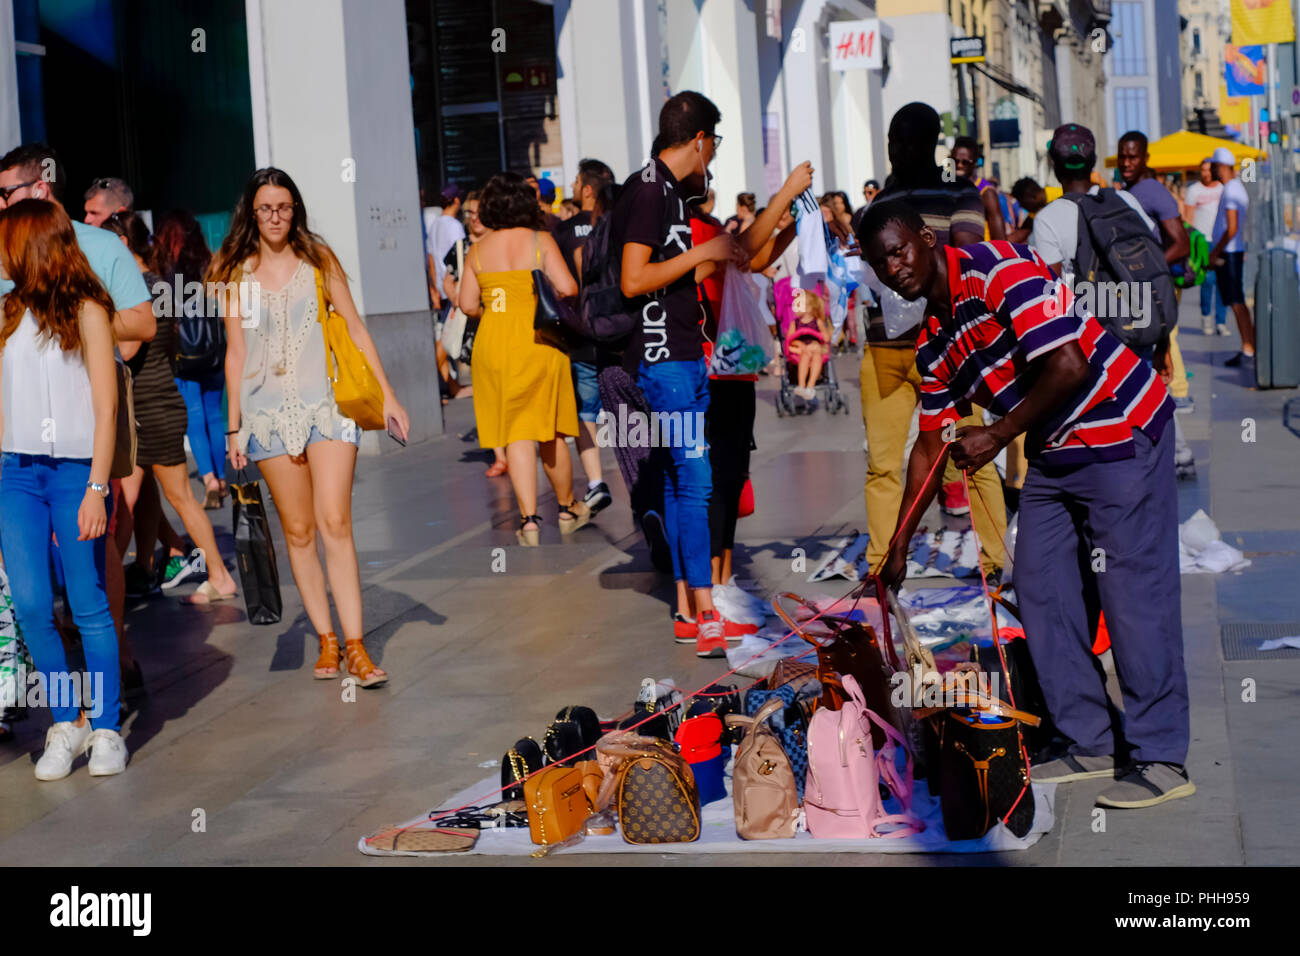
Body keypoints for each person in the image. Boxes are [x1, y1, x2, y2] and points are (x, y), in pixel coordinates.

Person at [862, 199, 1193, 809]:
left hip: (1119, 427)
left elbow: (1068, 366)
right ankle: (1089, 738)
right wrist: (898, 546)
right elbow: (929, 445)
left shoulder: (998, 269)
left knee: (1132, 595)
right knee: (1039, 586)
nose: (894, 266)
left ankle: (1162, 753)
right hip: (1056, 448)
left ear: (926, 241)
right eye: (880, 261)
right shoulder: (935, 343)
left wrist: (996, 433)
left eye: (900, 249)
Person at [215, 167, 409, 688]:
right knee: (298, 532)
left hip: (328, 408)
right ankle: (325, 637)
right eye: (265, 209)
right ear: (251, 214)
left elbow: (355, 327)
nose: (275, 217)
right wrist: (232, 428)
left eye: (284, 207)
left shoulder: (318, 259)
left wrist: (389, 395)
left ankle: (356, 646)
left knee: (334, 522)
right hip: (265, 416)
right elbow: (234, 355)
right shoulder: (233, 271)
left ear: (294, 209)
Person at [0, 143, 155, 701]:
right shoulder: (6, 249)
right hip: (19, 435)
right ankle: (60, 700)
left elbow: (144, 323)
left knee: (97, 544)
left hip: (91, 414)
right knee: (33, 584)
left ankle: (113, 659)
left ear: (39, 188)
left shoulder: (97, 245)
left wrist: (74, 320)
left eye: (5, 192)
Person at [613, 90, 747, 657]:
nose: (713, 154)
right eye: (714, 142)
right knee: (696, 483)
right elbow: (632, 279)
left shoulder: (666, 191)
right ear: (699, 138)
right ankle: (708, 612)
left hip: (683, 356)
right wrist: (704, 253)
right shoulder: (647, 189)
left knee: (676, 481)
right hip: (664, 362)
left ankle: (690, 616)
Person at [0, 199, 127, 778]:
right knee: (30, 604)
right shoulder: (5, 312)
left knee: (88, 604)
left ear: (32, 243)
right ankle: (65, 721)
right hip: (14, 474)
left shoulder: (89, 311)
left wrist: (98, 487)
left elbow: (107, 408)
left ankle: (105, 728)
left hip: (77, 472)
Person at [855, 103, 1005, 578]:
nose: (899, 149)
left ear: (929, 143)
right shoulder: (874, 205)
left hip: (948, 346)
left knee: (973, 455)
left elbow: (967, 250)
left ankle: (997, 563)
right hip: (885, 347)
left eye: (910, 140)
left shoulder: (959, 193)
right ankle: (883, 563)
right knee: (882, 464)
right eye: (894, 140)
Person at [102, 211, 238, 605]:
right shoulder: (158, 285)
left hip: (151, 408)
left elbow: (126, 350)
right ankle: (122, 582)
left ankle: (218, 574)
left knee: (168, 499)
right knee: (136, 504)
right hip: (154, 402)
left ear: (122, 246)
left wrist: (96, 327)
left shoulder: (136, 289)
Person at [457, 171, 589, 546]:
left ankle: (529, 521)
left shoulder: (478, 251)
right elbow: (567, 287)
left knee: (515, 433)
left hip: (494, 347)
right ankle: (566, 508)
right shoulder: (540, 240)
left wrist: (497, 310)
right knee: (551, 432)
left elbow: (467, 304)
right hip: (539, 343)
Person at [153, 210, 229, 512]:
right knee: (213, 414)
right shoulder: (210, 264)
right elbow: (223, 305)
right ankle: (222, 479)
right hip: (213, 353)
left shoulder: (164, 272)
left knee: (194, 416)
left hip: (183, 354)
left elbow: (163, 313)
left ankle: (209, 479)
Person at [554, 158, 617, 518]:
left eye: (577, 182)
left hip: (581, 332)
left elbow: (561, 287)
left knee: (586, 411)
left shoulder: (564, 232)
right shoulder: (620, 225)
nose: (574, 187)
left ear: (588, 189)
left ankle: (595, 482)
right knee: (627, 412)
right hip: (620, 331)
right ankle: (639, 477)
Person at [1116, 131, 1191, 408]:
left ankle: (1180, 395)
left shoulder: (1152, 190)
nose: (1126, 163)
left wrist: (1147, 269)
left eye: (1132, 157)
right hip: (1150, 282)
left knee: (1166, 334)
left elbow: (1181, 243)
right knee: (1160, 336)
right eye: (1122, 156)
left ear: (1145, 158)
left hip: (1160, 282)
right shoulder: (1134, 190)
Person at [1206, 146, 1256, 368]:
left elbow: (1232, 227)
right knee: (1236, 301)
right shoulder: (1235, 188)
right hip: (1232, 250)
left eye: (1214, 166)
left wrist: (1216, 251)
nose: (1213, 170)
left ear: (1221, 166)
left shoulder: (1231, 190)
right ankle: (1249, 346)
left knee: (1236, 302)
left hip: (1229, 252)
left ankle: (1249, 348)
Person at [1183, 158, 1228, 335]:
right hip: (1202, 242)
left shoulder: (1223, 189)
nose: (1206, 173)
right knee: (1207, 281)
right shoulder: (1193, 190)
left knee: (1222, 282)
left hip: (1221, 240)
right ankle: (1206, 316)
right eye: (1203, 170)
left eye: (1209, 170)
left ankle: (1221, 322)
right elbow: (1187, 218)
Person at [950, 136, 1007, 241]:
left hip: (980, 254)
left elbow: (1000, 239)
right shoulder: (948, 188)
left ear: (975, 162)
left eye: (965, 162)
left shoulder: (986, 192)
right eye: (954, 161)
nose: (959, 165)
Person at [426, 183, 464, 312]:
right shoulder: (455, 226)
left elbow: (430, 260)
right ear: (457, 200)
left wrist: (436, 287)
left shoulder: (434, 225)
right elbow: (460, 256)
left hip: (441, 291)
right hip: (454, 289)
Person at [785, 288, 830, 398]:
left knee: (816, 353)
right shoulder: (795, 323)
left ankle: (810, 386)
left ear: (809, 308)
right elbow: (789, 339)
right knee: (805, 355)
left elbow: (826, 338)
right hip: (801, 350)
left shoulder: (817, 322)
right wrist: (800, 344)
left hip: (815, 348)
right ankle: (801, 385)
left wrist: (823, 336)